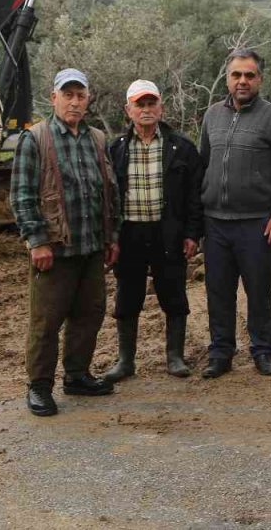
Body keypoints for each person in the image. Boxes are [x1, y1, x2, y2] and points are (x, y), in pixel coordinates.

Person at [10, 68, 119, 417]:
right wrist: (36, 241)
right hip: (53, 250)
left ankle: (77, 376)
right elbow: (22, 196)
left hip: (91, 248)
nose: (74, 101)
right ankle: (40, 387)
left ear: (88, 99)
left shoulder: (98, 139)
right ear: (54, 97)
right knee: (46, 321)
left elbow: (110, 193)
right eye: (67, 95)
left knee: (89, 315)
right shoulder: (35, 139)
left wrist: (111, 237)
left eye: (80, 95)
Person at [198, 49, 271, 378]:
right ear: (227, 78)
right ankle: (221, 352)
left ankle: (263, 351)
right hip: (215, 223)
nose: (243, 81)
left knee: (258, 291)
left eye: (249, 75)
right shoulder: (212, 115)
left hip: (257, 223)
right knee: (218, 291)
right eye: (236, 75)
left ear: (260, 79)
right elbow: (204, 165)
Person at [103, 79, 205, 383]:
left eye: (151, 103)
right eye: (139, 104)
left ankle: (175, 357)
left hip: (168, 233)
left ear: (161, 107)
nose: (146, 110)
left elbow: (194, 196)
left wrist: (192, 233)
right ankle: (125, 361)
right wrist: (111, 237)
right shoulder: (116, 149)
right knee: (127, 296)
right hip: (130, 235)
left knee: (173, 293)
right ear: (128, 110)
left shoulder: (182, 147)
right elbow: (108, 196)